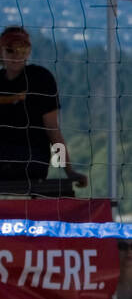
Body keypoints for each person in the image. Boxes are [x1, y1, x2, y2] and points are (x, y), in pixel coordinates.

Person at [0, 26, 87, 189]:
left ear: (29, 52)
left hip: (31, 158)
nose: (17, 55)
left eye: (23, 49)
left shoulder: (40, 79)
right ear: (1, 52)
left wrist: (69, 170)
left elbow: (53, 130)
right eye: (11, 50)